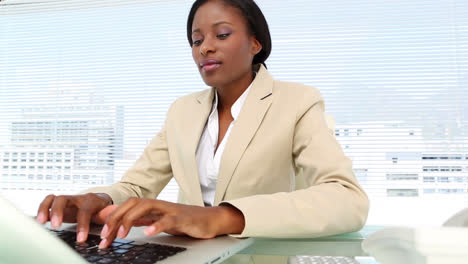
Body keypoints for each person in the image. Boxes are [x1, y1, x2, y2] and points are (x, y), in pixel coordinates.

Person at [36, 0, 369, 252]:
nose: (205, 47)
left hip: (257, 255)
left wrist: (222, 218)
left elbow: (346, 200)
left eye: (222, 34)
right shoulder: (183, 110)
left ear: (255, 44)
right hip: (186, 254)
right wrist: (97, 198)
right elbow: (138, 187)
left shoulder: (297, 101)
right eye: (197, 40)